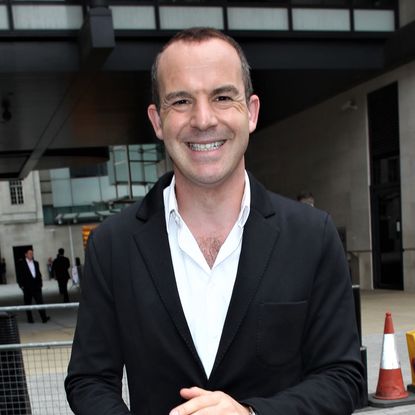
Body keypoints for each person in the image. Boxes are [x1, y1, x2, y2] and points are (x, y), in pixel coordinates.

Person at [65, 28, 365, 414]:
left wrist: (252, 414)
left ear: (251, 112)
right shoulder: (112, 245)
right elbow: (89, 380)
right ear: (157, 121)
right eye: (181, 101)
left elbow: (342, 376)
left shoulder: (312, 235)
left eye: (223, 97)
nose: (203, 119)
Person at [17, 248, 50, 323]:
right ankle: (30, 319)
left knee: (40, 302)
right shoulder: (21, 264)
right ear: (25, 254)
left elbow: (38, 273)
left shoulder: (36, 263)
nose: (31, 255)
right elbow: (19, 275)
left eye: (32, 253)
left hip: (36, 287)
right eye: (29, 253)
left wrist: (40, 283)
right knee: (28, 303)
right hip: (27, 287)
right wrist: (21, 285)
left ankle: (44, 318)